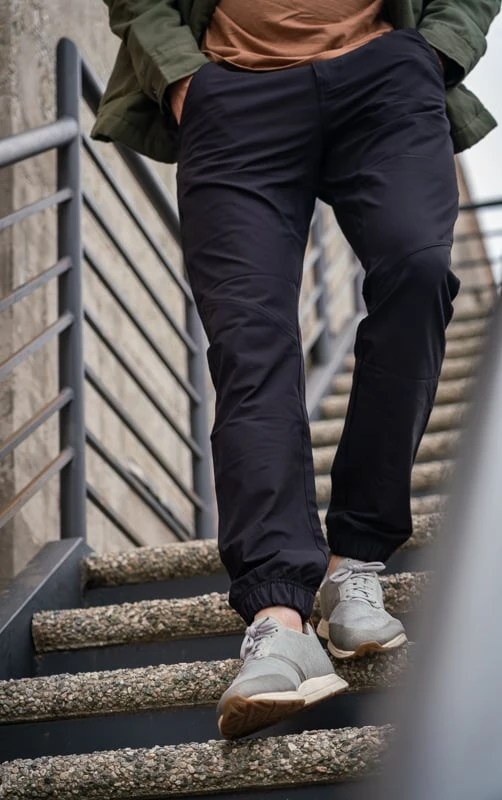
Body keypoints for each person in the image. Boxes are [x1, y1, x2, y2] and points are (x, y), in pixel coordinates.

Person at [93, 0, 501, 740]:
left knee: (417, 273)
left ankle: (356, 565)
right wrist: (182, 77)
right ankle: (279, 618)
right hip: (229, 89)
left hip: (384, 75)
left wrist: (435, 50)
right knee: (250, 343)